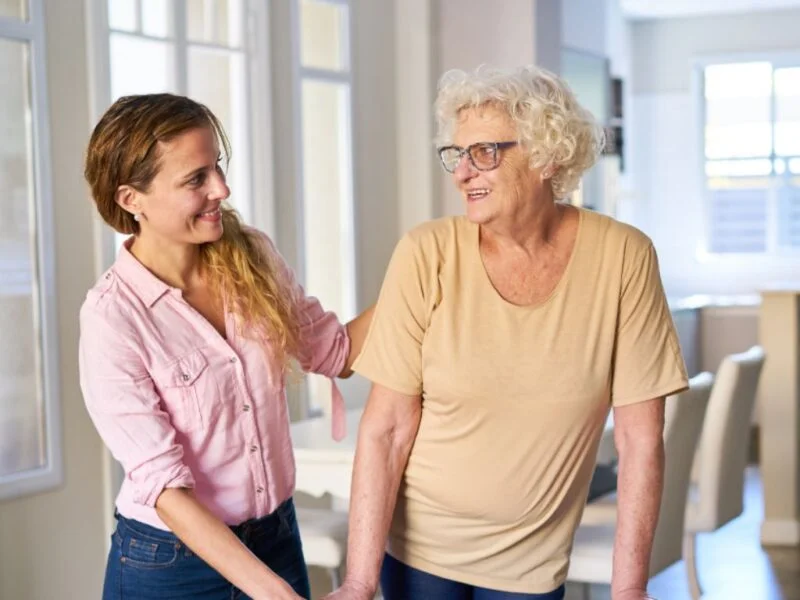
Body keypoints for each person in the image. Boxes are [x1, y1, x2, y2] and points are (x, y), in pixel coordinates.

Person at [325, 65, 688, 600]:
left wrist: (629, 590)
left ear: (547, 155)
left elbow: (639, 439)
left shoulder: (622, 257)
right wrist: (359, 581)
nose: (462, 173)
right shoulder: (427, 252)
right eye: (457, 154)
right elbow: (387, 430)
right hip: (419, 550)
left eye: (484, 152)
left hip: (533, 562)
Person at [79, 93, 372, 600]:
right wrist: (273, 592)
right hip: (170, 566)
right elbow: (165, 487)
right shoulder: (113, 317)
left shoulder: (252, 254)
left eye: (217, 166)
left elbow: (336, 352)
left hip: (276, 538)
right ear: (131, 199)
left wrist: (425, 269)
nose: (222, 188)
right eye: (196, 179)